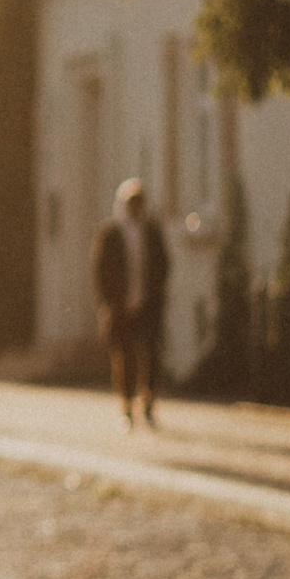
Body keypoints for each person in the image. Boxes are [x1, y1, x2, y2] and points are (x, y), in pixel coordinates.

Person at [90, 176, 170, 427]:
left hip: (147, 304)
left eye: (139, 202)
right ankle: (126, 405)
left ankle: (149, 402)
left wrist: (157, 293)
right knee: (124, 356)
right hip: (121, 306)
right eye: (132, 202)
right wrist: (107, 302)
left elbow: (163, 264)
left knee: (151, 354)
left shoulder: (151, 232)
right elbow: (100, 270)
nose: (136, 207)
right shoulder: (111, 233)